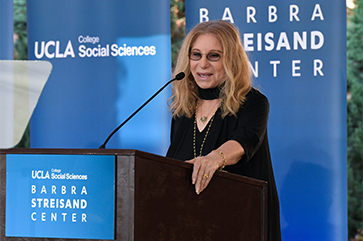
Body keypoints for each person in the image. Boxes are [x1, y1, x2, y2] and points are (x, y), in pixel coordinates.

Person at [166, 20, 282, 240]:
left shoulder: (253, 103)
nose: (202, 65)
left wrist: (214, 158)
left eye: (214, 56)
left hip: (241, 222)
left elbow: (245, 140)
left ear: (231, 60)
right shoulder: (182, 110)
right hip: (190, 224)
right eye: (196, 55)